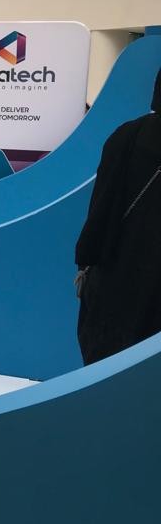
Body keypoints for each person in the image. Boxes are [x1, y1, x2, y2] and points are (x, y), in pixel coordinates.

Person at [75, 68, 161, 365]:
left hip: (118, 271)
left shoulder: (128, 136)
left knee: (110, 360)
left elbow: (102, 205)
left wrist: (86, 259)